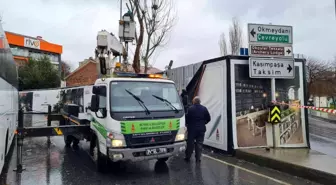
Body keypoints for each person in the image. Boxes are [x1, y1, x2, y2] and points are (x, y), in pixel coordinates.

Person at [184, 96, 211, 162]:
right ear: (200, 102)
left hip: (192, 129)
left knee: (190, 143)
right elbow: (209, 118)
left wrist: (187, 125)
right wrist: (203, 123)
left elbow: (186, 119)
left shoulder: (190, 109)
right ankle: (198, 158)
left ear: (193, 102)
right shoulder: (204, 109)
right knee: (199, 144)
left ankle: (188, 157)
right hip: (201, 129)